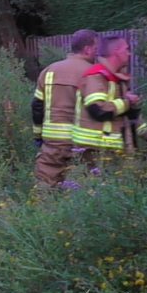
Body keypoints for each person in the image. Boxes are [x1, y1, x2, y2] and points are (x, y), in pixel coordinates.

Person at [31, 29, 97, 188]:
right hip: (84, 142)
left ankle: (46, 211)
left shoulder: (49, 71)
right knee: (92, 186)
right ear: (87, 49)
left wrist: (38, 135)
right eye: (96, 48)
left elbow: (37, 105)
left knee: (45, 187)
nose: (97, 53)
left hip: (53, 143)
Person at [73, 35, 147, 166]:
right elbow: (98, 110)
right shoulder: (96, 76)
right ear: (117, 51)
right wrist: (127, 101)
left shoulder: (117, 78)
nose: (129, 53)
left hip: (113, 147)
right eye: (126, 49)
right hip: (97, 148)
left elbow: (131, 118)